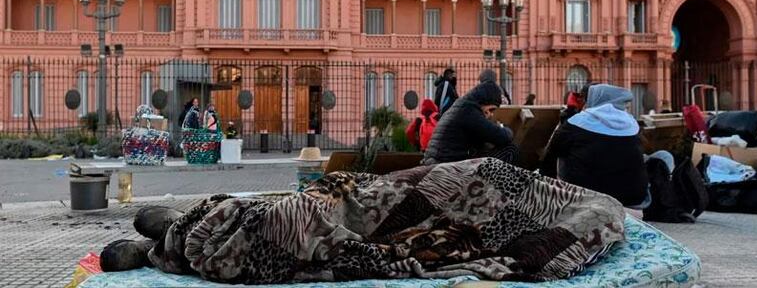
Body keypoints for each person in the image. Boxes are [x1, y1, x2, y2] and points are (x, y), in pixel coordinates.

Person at [99, 158, 625, 283]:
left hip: (467, 203)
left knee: (299, 220)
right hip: (393, 195)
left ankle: (174, 238)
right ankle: (189, 227)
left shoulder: (588, 210)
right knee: (335, 198)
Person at [541, 84, 649, 207]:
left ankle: (555, 196)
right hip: (632, 198)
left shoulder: (577, 121)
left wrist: (570, 110)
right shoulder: (631, 123)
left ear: (594, 99)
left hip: (587, 196)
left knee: (561, 153)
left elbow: (553, 150)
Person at [423, 80, 517, 165]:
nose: (491, 114)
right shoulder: (469, 111)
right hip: (446, 167)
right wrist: (506, 129)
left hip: (438, 162)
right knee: (510, 149)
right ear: (485, 101)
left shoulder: (461, 106)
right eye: (491, 109)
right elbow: (502, 137)